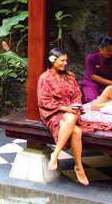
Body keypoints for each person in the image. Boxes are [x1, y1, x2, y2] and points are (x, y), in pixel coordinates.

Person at [37, 48, 88, 186]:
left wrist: (74, 106)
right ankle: (77, 165)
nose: (66, 63)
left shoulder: (70, 75)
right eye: (62, 60)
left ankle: (58, 155)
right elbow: (44, 101)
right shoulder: (44, 78)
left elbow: (77, 94)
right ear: (52, 61)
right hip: (53, 111)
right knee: (75, 130)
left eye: (66, 60)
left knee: (73, 124)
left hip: (70, 110)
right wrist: (65, 108)